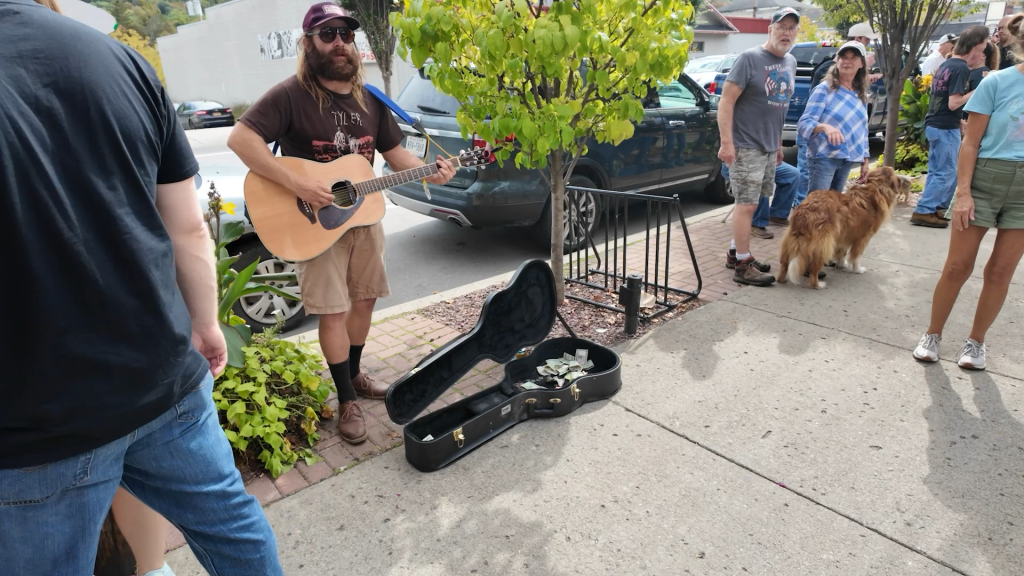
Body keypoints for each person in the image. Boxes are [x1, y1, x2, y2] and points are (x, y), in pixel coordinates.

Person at [0, 1, 282, 574]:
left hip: (37, 424)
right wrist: (205, 325)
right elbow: (186, 227)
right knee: (231, 523)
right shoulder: (119, 60)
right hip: (164, 381)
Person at [228, 3, 455, 443]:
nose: (339, 43)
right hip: (313, 224)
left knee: (364, 301)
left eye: (346, 35)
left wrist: (431, 167)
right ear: (308, 42)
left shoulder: (369, 99)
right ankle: (346, 397)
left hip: (363, 218)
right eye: (328, 34)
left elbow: (394, 155)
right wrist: (297, 183)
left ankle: (354, 376)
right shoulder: (290, 94)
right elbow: (241, 138)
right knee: (332, 313)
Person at [912, 26, 1024, 370]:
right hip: (985, 178)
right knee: (958, 266)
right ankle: (932, 334)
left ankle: (976, 342)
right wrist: (962, 193)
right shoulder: (996, 82)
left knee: (1001, 271)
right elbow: (970, 143)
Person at [717, 7, 799, 286]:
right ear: (770, 29)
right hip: (744, 145)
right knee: (747, 205)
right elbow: (726, 101)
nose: (786, 33)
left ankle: (735, 252)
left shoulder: (791, 62)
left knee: (754, 204)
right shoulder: (749, 59)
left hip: (766, 147)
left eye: (791, 28)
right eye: (782, 27)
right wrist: (727, 143)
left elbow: (778, 109)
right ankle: (743, 264)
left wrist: (777, 145)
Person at [911, 26, 991, 229]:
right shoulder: (961, 68)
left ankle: (932, 208)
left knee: (939, 170)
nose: (982, 53)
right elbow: (953, 102)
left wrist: (959, 121)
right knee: (946, 172)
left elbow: (941, 100)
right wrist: (980, 88)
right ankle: (925, 210)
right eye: (982, 48)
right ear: (975, 47)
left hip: (938, 124)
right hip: (944, 127)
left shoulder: (948, 64)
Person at [798, 41, 871, 194]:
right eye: (843, 57)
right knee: (818, 209)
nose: (847, 61)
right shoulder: (824, 89)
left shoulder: (860, 94)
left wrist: (865, 159)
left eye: (853, 57)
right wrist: (824, 127)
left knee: (833, 210)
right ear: (836, 61)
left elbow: (863, 129)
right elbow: (804, 123)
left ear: (862, 63)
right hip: (824, 158)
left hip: (847, 159)